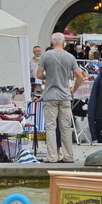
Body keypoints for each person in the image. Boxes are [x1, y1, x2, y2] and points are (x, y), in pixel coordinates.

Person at [39, 32, 77, 163]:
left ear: (52, 42)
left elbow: (38, 74)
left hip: (50, 95)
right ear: (63, 41)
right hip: (65, 95)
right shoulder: (70, 57)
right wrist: (74, 90)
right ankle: (68, 156)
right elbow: (80, 76)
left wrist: (47, 77)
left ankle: (52, 157)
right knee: (65, 127)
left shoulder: (45, 56)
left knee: (50, 127)